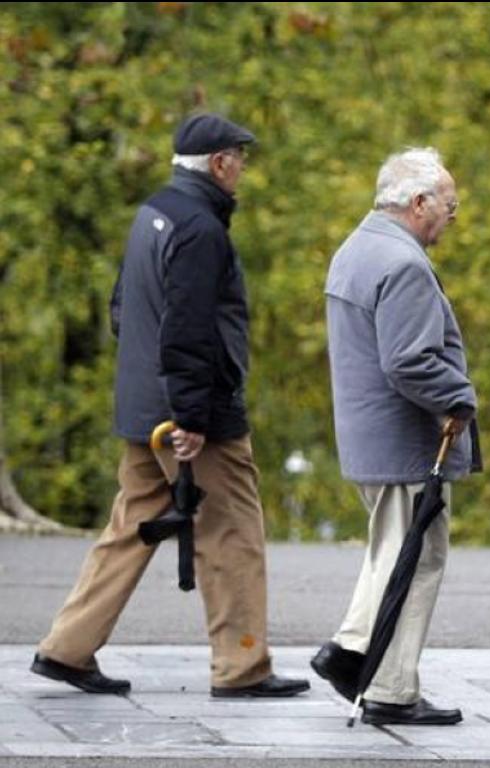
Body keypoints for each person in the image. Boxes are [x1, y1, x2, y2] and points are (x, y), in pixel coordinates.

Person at [33, 113, 309, 699]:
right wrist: (191, 416)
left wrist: (153, 393)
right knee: (232, 532)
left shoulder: (153, 213)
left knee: (131, 526)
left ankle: (67, 648)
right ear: (218, 163)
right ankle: (242, 667)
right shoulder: (202, 230)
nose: (243, 169)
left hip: (143, 406)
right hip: (189, 415)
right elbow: (188, 330)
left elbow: (122, 309)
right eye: (240, 157)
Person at [311, 146, 480, 727]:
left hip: (370, 437)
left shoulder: (356, 248)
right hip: (405, 441)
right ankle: (387, 684)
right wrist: (459, 397)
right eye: (450, 205)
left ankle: (355, 653)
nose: (452, 217)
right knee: (416, 558)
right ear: (418, 202)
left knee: (392, 552)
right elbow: (409, 361)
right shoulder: (402, 263)